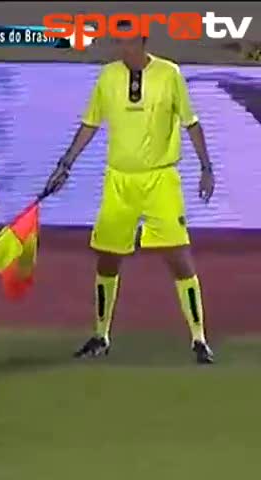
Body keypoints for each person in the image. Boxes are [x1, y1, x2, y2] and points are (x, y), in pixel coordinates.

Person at [42, 21, 216, 364]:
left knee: (179, 258)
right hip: (119, 181)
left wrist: (206, 168)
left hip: (160, 180)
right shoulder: (108, 76)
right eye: (120, 42)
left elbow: (191, 122)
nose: (125, 48)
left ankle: (199, 339)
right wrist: (66, 164)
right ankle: (100, 335)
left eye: (131, 41)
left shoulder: (169, 74)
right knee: (107, 258)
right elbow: (90, 123)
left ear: (143, 41)